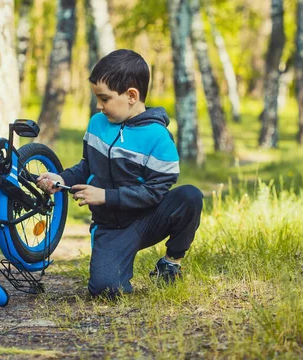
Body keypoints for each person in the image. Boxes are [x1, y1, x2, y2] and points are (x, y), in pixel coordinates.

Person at [37, 49, 203, 298]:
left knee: (190, 196)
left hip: (148, 219)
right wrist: (62, 179)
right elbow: (87, 167)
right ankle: (114, 258)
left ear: (131, 96)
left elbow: (155, 191)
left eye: (104, 99)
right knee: (106, 291)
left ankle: (171, 263)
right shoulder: (97, 124)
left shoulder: (159, 138)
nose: (99, 105)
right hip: (112, 228)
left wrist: (106, 196)